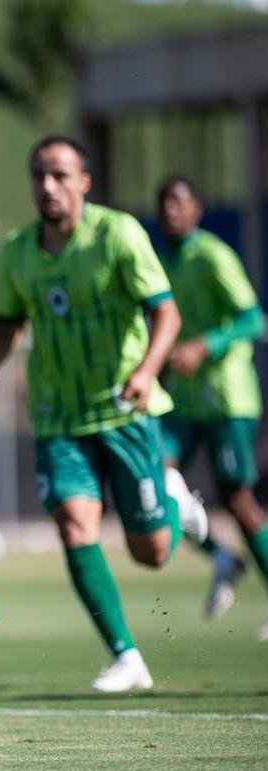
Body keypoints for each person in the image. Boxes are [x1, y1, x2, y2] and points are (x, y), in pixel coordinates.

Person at [0, 135, 208, 693]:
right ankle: (126, 655)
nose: (48, 185)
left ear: (84, 181)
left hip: (124, 411)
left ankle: (174, 500)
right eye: (39, 175)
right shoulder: (18, 250)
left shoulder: (118, 235)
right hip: (59, 419)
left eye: (60, 174)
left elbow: (166, 314)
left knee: (152, 552)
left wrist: (146, 372)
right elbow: (8, 327)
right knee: (73, 523)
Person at [156, 176, 268, 632]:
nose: (170, 210)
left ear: (196, 210)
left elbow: (253, 318)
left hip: (226, 398)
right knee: (153, 477)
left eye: (179, 202)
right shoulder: (161, 262)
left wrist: (205, 345)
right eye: (164, 203)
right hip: (183, 401)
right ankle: (223, 558)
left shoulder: (213, 255)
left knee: (238, 499)